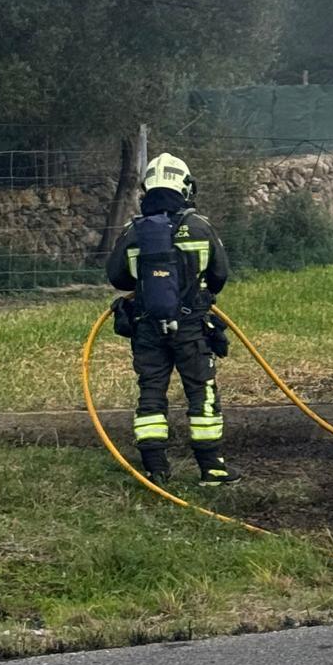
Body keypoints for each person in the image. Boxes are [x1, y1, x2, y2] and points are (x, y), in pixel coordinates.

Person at [105, 152, 238, 486]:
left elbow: (118, 278)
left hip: (147, 328)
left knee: (151, 392)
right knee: (201, 392)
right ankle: (213, 468)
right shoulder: (199, 227)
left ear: (147, 187)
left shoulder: (133, 231)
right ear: (185, 186)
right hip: (192, 328)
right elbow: (220, 275)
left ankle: (155, 469)